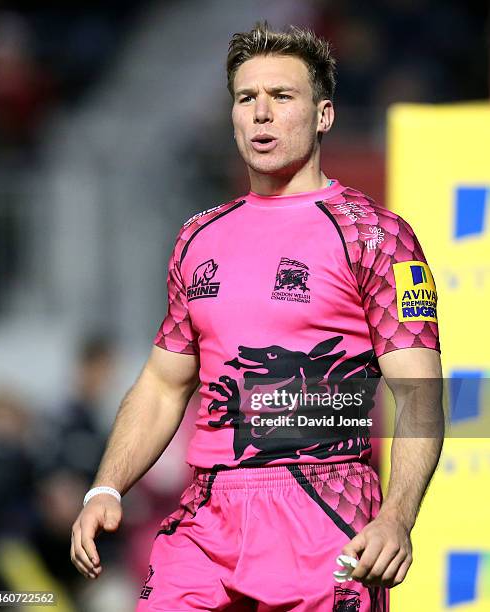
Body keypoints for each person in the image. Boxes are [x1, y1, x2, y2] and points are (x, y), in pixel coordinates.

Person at [70, 22, 443, 611]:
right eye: (247, 99)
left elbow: (419, 392)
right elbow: (165, 384)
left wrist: (397, 517)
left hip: (325, 511)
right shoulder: (198, 237)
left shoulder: (377, 236)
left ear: (324, 115)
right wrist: (106, 486)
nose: (261, 114)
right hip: (208, 514)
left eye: (282, 97)